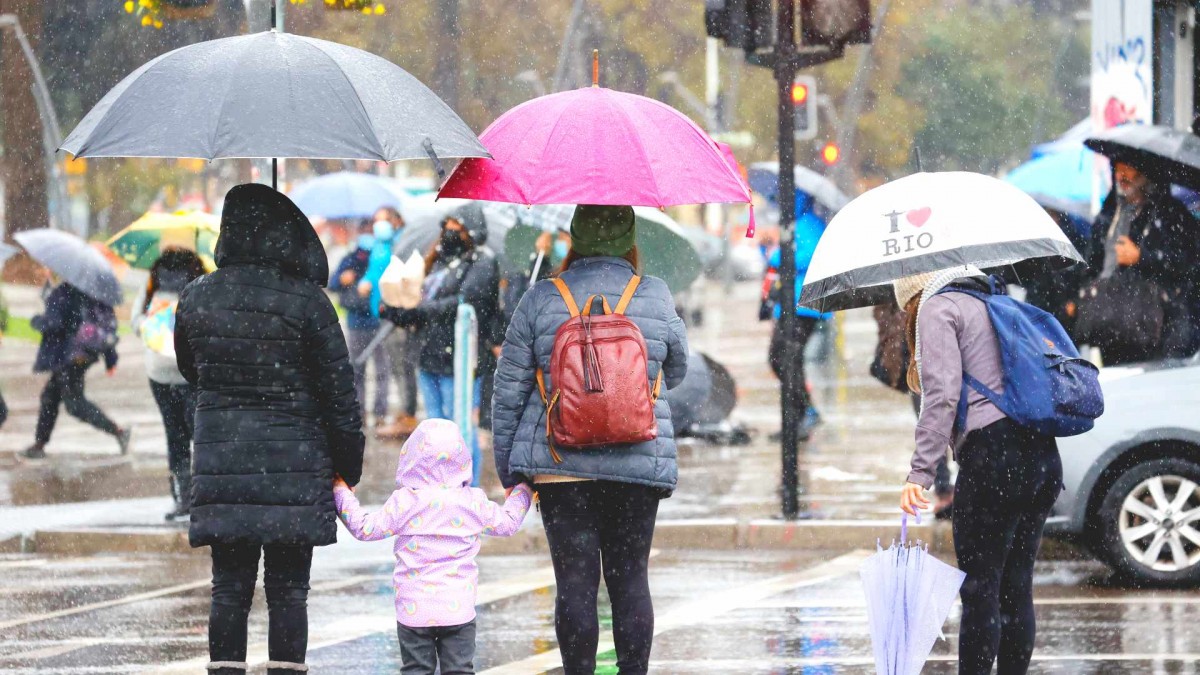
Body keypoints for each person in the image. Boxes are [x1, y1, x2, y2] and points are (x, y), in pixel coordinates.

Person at [174, 184, 365, 675]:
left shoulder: (196, 298)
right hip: (295, 467)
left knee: (229, 588)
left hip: (223, 463)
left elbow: (191, 370)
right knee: (288, 591)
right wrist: (347, 464)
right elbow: (339, 393)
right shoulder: (308, 303)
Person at [492, 205, 689, 675]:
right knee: (630, 582)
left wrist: (510, 468)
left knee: (575, 585)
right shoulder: (655, 294)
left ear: (573, 238)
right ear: (630, 239)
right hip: (638, 461)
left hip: (560, 463)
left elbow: (509, 388)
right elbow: (677, 369)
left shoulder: (541, 297)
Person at [896, 266, 1062, 675]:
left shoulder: (938, 310)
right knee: (1016, 586)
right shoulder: (996, 301)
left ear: (911, 295)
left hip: (994, 458)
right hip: (1041, 454)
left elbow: (941, 397)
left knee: (980, 587)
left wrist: (920, 473)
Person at [333, 418, 533, 675]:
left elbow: (365, 528)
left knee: (416, 669)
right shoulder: (471, 502)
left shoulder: (405, 502)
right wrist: (524, 489)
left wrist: (340, 490)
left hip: (413, 609)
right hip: (457, 609)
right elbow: (507, 524)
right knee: (459, 669)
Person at [382, 203, 500, 488]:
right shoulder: (437, 260)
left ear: (471, 231)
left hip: (461, 359)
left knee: (459, 427)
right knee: (434, 427)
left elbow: (467, 301)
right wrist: (399, 309)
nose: (449, 233)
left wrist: (423, 310)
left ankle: (465, 490)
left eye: (456, 229)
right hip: (428, 355)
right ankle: (440, 486)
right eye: (446, 227)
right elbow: (419, 301)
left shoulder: (482, 261)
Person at [1081, 162, 1198, 363]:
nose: (1121, 175)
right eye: (1117, 169)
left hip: (1160, 327)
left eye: (1128, 168)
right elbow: (1092, 263)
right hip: (1114, 325)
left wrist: (1141, 257)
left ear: (1145, 172)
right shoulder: (1109, 214)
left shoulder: (1170, 214)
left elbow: (1186, 263)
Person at [132, 247, 207, 521]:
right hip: (193, 372)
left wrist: (154, 327)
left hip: (159, 372)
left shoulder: (152, 282)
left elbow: (135, 321)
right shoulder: (202, 283)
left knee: (174, 434)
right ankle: (202, 494)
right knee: (200, 433)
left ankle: (183, 496)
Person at [23, 273, 129, 460]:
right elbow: (102, 330)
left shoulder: (65, 292)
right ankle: (39, 445)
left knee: (74, 404)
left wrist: (37, 320)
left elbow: (55, 323)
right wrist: (110, 359)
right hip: (82, 354)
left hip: (70, 356)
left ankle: (118, 431)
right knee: (50, 397)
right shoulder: (92, 293)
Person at [766, 193, 831, 440]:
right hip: (791, 304)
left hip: (804, 304)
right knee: (780, 358)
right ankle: (799, 415)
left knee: (785, 358)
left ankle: (805, 413)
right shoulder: (796, 224)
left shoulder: (810, 224)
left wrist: (778, 254)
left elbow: (807, 256)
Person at [330, 224, 391, 424]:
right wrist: (343, 278)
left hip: (378, 321)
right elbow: (332, 283)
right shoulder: (350, 259)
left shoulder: (382, 256)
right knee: (358, 369)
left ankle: (380, 412)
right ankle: (360, 410)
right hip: (356, 322)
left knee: (381, 369)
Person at [374, 206, 422, 439]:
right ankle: (405, 412)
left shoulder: (406, 245)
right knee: (398, 368)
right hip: (392, 313)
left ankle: (409, 413)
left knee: (405, 369)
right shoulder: (390, 245)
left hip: (404, 317)